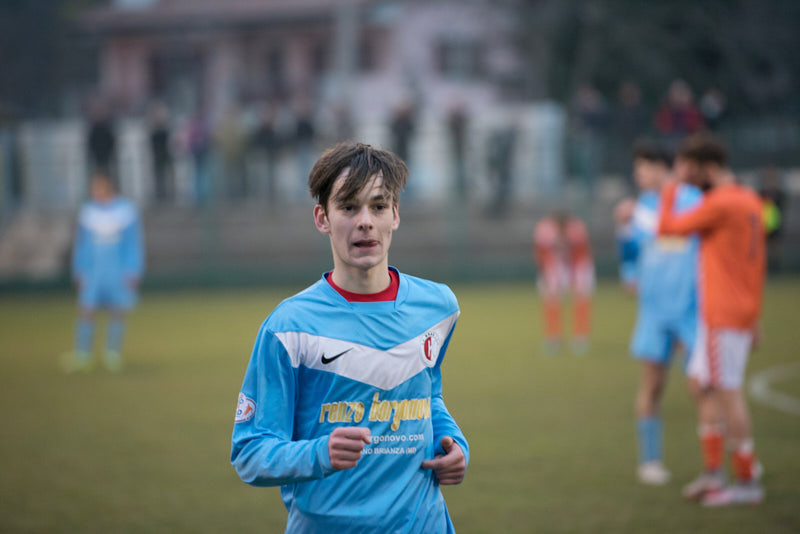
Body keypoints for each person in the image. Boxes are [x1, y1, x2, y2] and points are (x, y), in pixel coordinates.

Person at [230, 142, 469, 532]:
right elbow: (250, 452)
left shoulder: (439, 307)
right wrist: (319, 453)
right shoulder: (288, 327)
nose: (365, 222)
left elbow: (428, 396)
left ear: (395, 214)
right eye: (348, 207)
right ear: (322, 218)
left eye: (378, 206)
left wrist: (452, 441)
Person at [658, 133, 766, 506]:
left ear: (707, 168)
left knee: (727, 392)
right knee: (700, 384)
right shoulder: (747, 198)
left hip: (723, 314)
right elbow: (755, 262)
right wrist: (754, 314)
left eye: (689, 169)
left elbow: (667, 228)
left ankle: (747, 481)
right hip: (731, 312)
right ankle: (714, 472)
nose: (685, 177)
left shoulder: (720, 203)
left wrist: (670, 189)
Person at [614, 143, 702, 485]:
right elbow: (631, 252)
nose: (638, 173)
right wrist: (626, 256)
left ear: (662, 167)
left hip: (690, 308)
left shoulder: (693, 200)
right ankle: (650, 462)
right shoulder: (639, 208)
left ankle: (716, 465)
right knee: (652, 385)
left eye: (643, 166)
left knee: (703, 388)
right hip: (653, 311)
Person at [61, 171, 145, 373]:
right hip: (93, 271)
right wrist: (79, 269)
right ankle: (83, 354)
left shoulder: (126, 211)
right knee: (86, 310)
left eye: (98, 187)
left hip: (117, 270)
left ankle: (112, 354)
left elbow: (133, 243)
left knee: (117, 310)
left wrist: (133, 269)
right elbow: (82, 244)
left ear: (109, 186)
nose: (95, 191)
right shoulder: (88, 212)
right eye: (93, 187)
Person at [532, 211, 594, 355]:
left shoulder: (577, 229)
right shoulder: (544, 230)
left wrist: (578, 277)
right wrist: (545, 273)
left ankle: (580, 337)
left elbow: (582, 254)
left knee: (580, 300)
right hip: (554, 265)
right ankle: (553, 337)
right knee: (552, 301)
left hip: (576, 265)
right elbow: (540, 253)